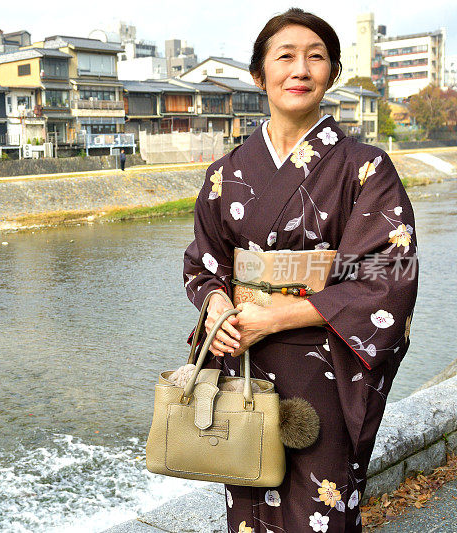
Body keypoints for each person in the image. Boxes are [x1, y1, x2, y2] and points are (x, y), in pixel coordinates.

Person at [183, 8, 418, 532]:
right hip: (242, 359)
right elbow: (205, 262)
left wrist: (274, 317)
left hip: (323, 363)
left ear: (331, 75)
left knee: (320, 511)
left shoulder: (365, 167)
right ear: (258, 75)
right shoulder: (226, 174)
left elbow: (386, 273)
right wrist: (219, 306)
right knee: (245, 503)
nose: (301, 69)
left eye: (316, 58)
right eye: (284, 57)